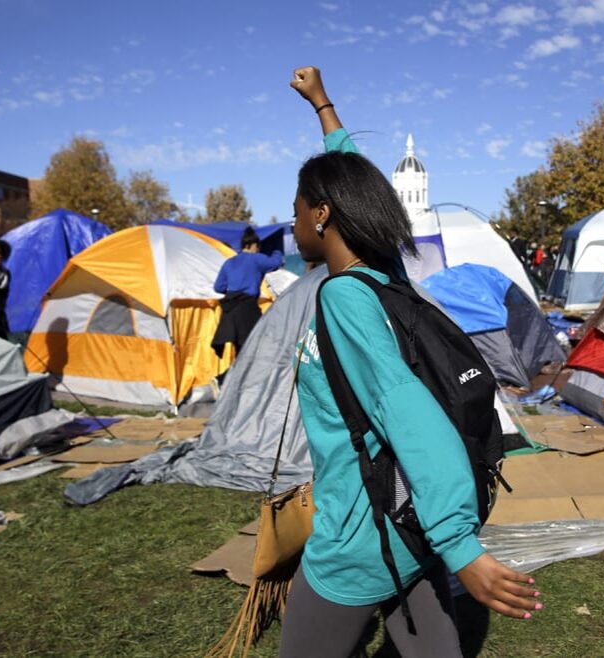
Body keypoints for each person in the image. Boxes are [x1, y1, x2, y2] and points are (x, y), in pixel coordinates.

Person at [279, 66, 541, 657]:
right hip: (408, 525)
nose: (292, 223)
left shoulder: (346, 296)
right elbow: (356, 189)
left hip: (359, 535)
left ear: (322, 215)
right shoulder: (386, 279)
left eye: (297, 209)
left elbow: (405, 407)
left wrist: (461, 547)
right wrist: (323, 108)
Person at [210, 226, 284, 389]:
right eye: (258, 247)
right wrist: (277, 249)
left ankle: (233, 386)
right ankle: (224, 379)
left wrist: (234, 286)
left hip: (230, 310)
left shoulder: (229, 262)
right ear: (253, 246)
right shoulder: (256, 259)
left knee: (242, 351)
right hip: (247, 309)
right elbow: (276, 262)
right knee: (255, 348)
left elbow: (218, 287)